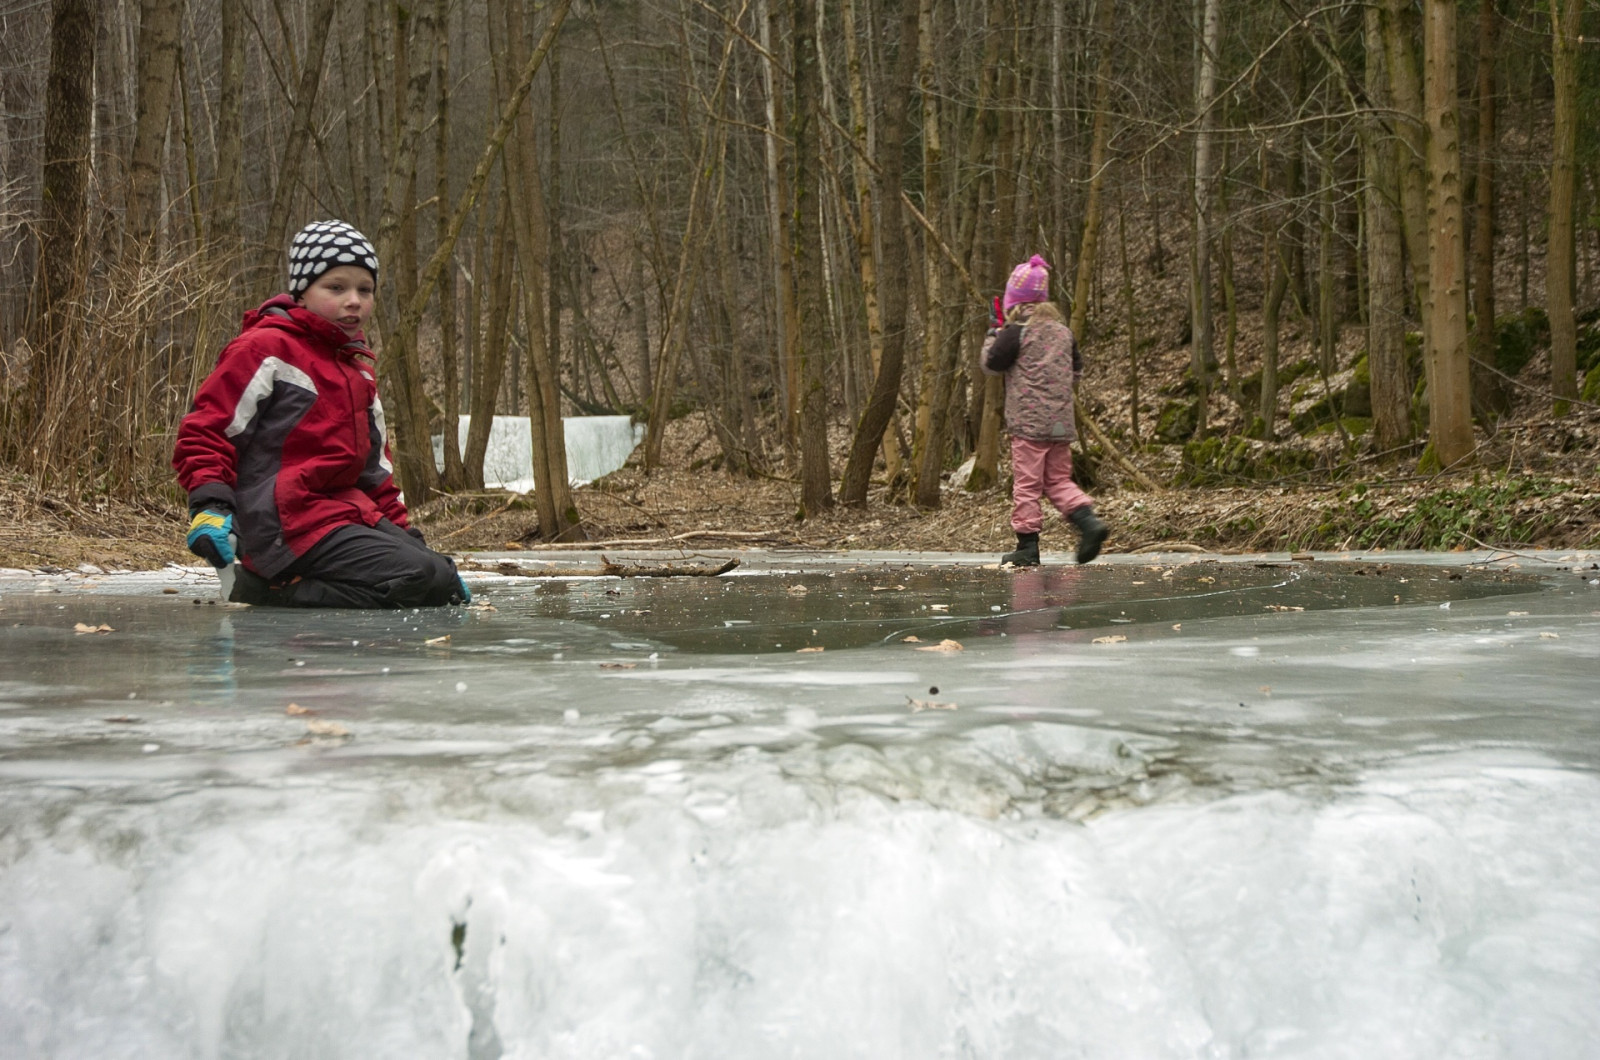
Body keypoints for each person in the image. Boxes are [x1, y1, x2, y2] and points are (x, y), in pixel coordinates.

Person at [173, 219, 470, 608]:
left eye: (365, 289)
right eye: (336, 287)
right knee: (417, 576)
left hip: (341, 516)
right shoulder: (265, 350)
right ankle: (270, 590)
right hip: (282, 521)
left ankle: (297, 585)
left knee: (441, 577)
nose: (354, 300)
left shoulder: (359, 374)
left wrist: (408, 540)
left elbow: (375, 475)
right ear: (301, 293)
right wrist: (210, 505)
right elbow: (209, 430)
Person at [980, 254, 1109, 567]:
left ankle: (1027, 547)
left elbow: (991, 364)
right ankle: (1089, 523)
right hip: (1060, 424)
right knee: (1058, 481)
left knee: (1027, 485)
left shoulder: (1016, 332)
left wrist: (994, 331)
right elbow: (1076, 372)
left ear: (1015, 302)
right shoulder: (1064, 332)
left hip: (1028, 427)